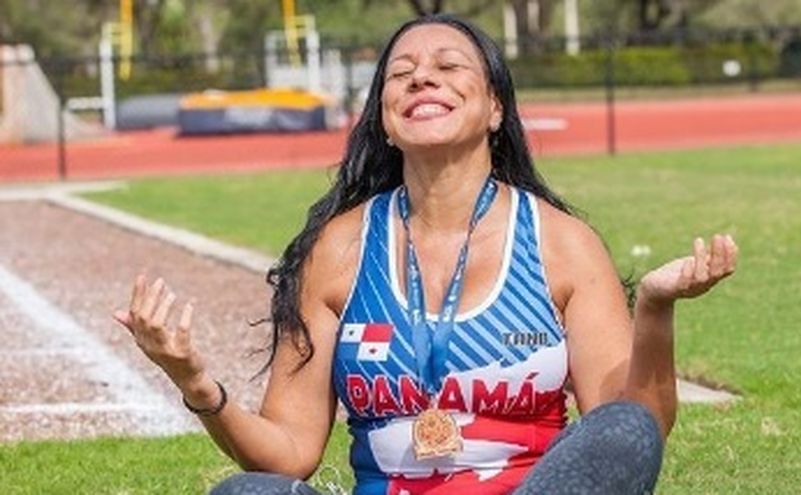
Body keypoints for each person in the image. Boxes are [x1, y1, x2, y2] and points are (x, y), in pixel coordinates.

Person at [114, 14, 737, 495]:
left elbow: (633, 431)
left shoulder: (561, 244)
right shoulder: (338, 249)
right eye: (401, 73)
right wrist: (195, 383)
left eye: (448, 66)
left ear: (495, 108)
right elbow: (288, 455)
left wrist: (654, 309)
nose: (422, 78)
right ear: (386, 121)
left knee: (624, 427)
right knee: (245, 493)